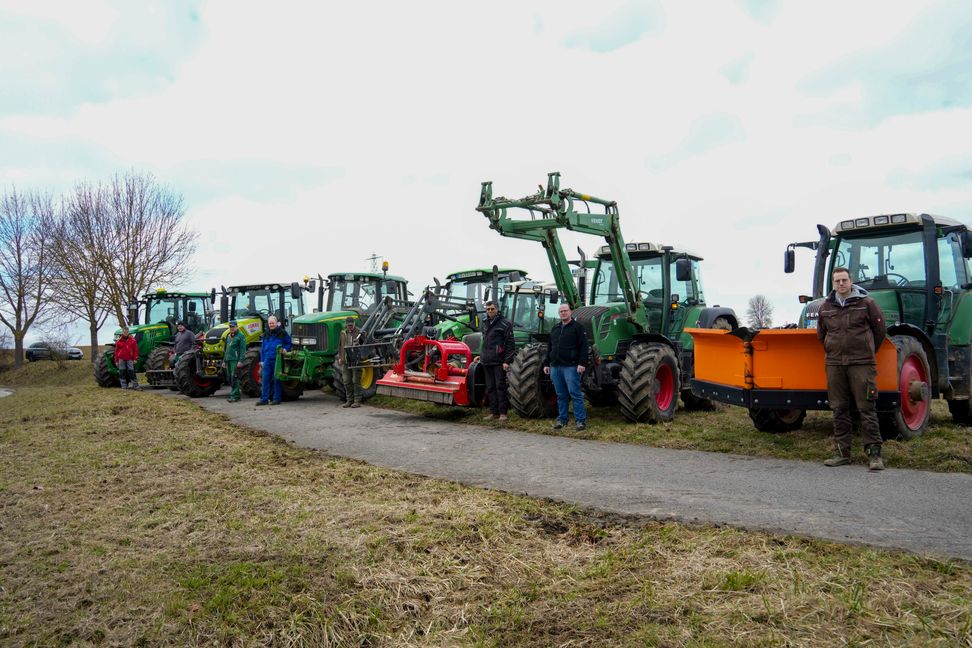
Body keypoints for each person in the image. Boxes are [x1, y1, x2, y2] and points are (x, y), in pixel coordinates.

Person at [817, 266, 888, 471]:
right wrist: (833, 350)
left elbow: (880, 330)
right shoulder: (825, 307)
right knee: (838, 408)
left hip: (862, 363)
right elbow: (821, 335)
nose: (841, 284)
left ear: (851, 281)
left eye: (844, 280)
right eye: (837, 281)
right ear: (833, 283)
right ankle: (842, 453)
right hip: (835, 364)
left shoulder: (867, 304)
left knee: (866, 407)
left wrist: (866, 351)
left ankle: (874, 454)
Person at [543, 303, 589, 431]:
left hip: (571, 367)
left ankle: (580, 421)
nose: (563, 313)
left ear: (570, 312)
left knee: (575, 393)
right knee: (561, 394)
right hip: (556, 367)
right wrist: (547, 363)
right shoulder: (555, 328)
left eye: (565, 311)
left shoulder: (578, 328)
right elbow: (550, 348)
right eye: (561, 311)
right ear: (559, 314)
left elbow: (584, 347)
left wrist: (582, 363)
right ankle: (562, 419)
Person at [480, 300, 515, 421]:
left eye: (492, 309)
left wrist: (507, 361)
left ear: (497, 309)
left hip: (499, 360)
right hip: (487, 359)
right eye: (488, 309)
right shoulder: (485, 322)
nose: (490, 311)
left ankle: (503, 413)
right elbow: (485, 341)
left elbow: (510, 344)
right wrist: (481, 355)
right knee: (490, 387)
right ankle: (493, 412)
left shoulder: (505, 324)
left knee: (500, 387)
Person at [257, 315, 291, 406]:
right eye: (270, 323)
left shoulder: (282, 333)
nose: (271, 324)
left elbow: (288, 342)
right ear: (268, 324)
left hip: (278, 359)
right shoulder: (266, 334)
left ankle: (277, 399)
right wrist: (262, 360)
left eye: (273, 323)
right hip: (267, 359)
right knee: (265, 379)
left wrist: (285, 349)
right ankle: (264, 399)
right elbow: (263, 348)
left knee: (277, 379)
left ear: (276, 323)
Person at [337, 316, 364, 408]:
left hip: (356, 360)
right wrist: (340, 357)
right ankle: (349, 400)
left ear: (354, 324)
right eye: (348, 325)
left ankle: (357, 401)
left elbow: (366, 344)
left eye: (351, 325)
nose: (350, 327)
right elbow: (340, 345)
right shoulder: (343, 333)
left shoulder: (360, 332)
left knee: (356, 380)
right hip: (345, 360)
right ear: (346, 324)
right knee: (346, 381)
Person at [222, 320, 246, 402]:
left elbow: (243, 350)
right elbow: (226, 349)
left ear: (237, 327)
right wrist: (224, 361)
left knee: (235, 377)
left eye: (233, 327)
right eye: (230, 327)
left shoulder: (241, 336)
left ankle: (234, 396)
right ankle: (236, 394)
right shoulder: (228, 336)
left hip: (235, 360)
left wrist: (241, 360)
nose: (232, 328)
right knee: (229, 378)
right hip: (228, 360)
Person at [114, 325, 140, 390]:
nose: (125, 333)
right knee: (122, 372)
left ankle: (135, 386)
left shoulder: (132, 340)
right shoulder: (119, 341)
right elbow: (116, 352)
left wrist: (135, 358)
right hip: (121, 359)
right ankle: (124, 386)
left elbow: (135, 350)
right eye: (124, 332)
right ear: (122, 332)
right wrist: (116, 361)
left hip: (129, 359)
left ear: (128, 332)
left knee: (131, 372)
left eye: (127, 332)